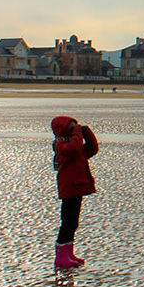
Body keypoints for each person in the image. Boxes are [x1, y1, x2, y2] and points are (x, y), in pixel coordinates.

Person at [50, 114, 99, 269]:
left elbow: (92, 149)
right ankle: (61, 257)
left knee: (73, 223)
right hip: (69, 188)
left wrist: (86, 132)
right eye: (70, 128)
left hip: (77, 188)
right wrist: (77, 133)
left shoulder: (75, 148)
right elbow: (74, 147)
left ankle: (68, 253)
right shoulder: (61, 146)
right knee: (67, 222)